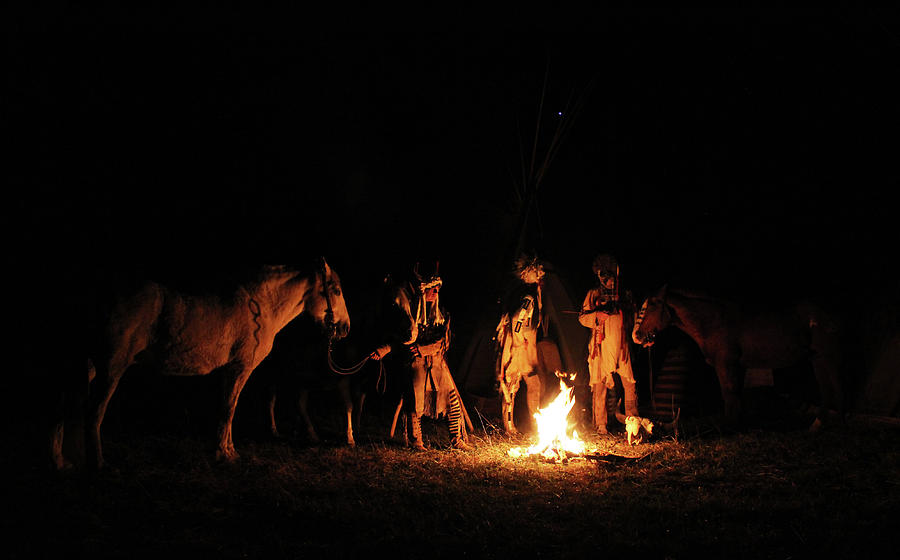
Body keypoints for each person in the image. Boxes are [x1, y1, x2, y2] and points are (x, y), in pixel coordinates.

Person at [370, 263, 471, 450]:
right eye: (431, 289)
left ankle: (457, 440)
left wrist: (426, 350)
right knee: (414, 403)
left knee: (453, 400)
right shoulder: (411, 316)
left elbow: (444, 342)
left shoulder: (442, 315)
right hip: (416, 365)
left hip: (438, 364)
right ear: (423, 292)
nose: (435, 292)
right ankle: (416, 441)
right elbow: (400, 340)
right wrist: (383, 350)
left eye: (437, 289)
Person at [578, 254, 639, 434]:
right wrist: (597, 316)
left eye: (612, 277)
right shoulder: (593, 294)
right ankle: (601, 424)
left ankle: (632, 421)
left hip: (622, 346)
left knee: (629, 383)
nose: (609, 281)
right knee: (600, 384)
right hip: (601, 346)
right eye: (605, 277)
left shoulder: (625, 295)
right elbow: (582, 317)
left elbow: (635, 318)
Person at [495, 255, 545, 434]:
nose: (541, 273)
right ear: (527, 272)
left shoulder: (529, 293)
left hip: (525, 345)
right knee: (511, 386)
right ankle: (509, 426)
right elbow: (517, 319)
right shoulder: (527, 296)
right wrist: (518, 341)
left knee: (534, 384)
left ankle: (535, 423)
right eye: (537, 271)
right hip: (519, 347)